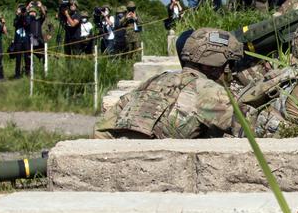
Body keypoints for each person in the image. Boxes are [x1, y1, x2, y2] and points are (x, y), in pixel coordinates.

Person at [94, 28, 238, 139]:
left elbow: (100, 130)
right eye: (229, 64)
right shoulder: (208, 90)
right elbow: (251, 127)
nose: (231, 70)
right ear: (210, 66)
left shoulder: (154, 80)